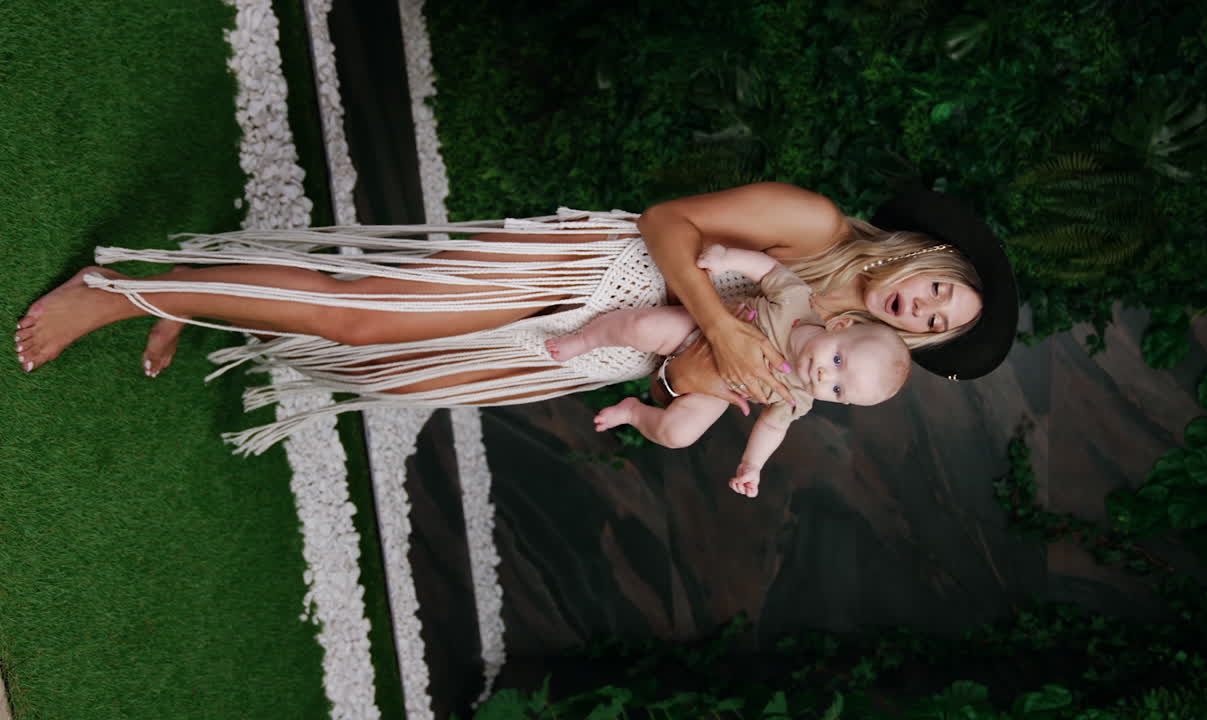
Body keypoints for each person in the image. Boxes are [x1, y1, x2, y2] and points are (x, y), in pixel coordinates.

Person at [14, 183, 1018, 454]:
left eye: (935, 324)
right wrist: (716, 321)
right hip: (597, 272)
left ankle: (202, 299)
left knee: (385, 365)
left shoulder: (825, 368)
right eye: (940, 288)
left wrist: (692, 387)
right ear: (928, 255)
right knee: (369, 323)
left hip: (603, 349)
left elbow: (676, 384)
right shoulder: (810, 225)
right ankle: (120, 293)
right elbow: (668, 222)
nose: (923, 308)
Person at [546, 243, 912, 498]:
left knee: (679, 434)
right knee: (641, 326)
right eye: (837, 362)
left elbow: (771, 427)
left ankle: (632, 412)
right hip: (699, 329)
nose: (823, 378)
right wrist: (728, 258)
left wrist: (752, 465)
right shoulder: (798, 304)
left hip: (713, 393)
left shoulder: (797, 397)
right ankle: (586, 340)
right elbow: (770, 270)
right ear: (841, 326)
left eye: (837, 390)